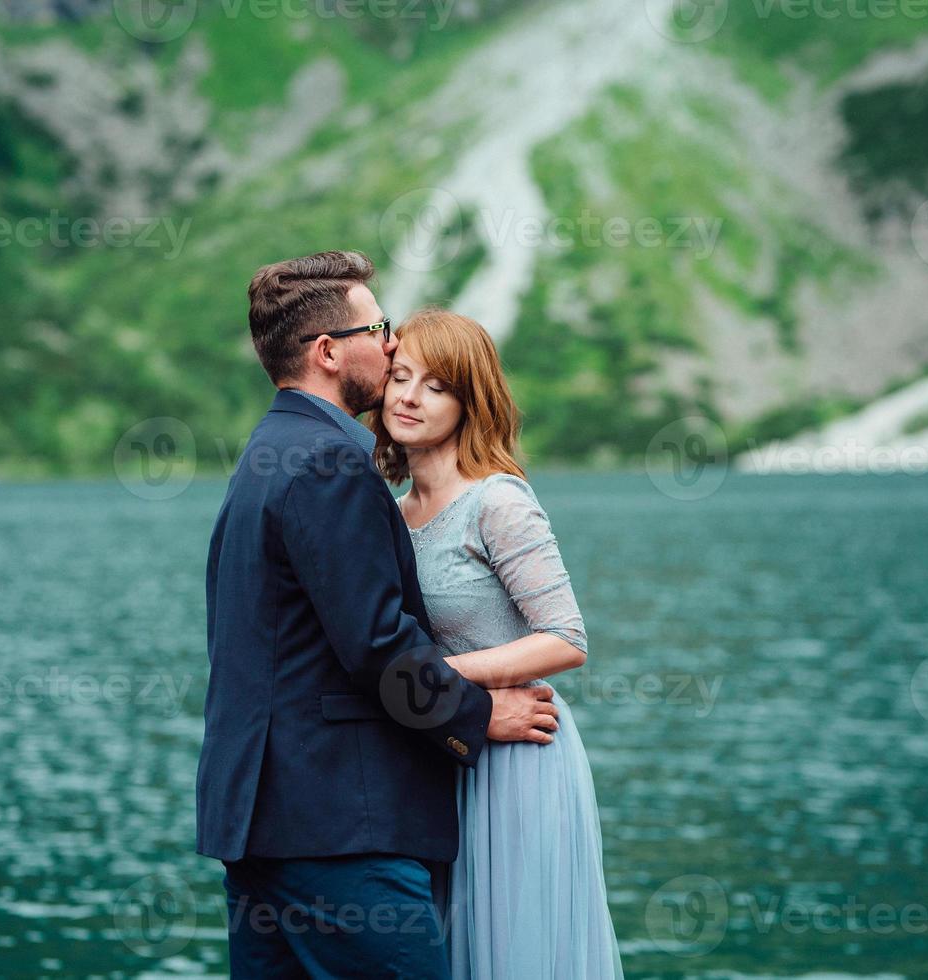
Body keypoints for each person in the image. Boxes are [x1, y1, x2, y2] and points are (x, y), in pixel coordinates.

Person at [196, 250, 560, 978]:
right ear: (329, 351)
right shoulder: (330, 462)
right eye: (379, 328)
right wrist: (479, 715)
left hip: (267, 829)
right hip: (341, 833)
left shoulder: (268, 453)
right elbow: (376, 644)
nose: (391, 345)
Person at [371, 308, 624, 978]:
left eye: (436, 386)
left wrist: (440, 672)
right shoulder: (393, 513)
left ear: (468, 402)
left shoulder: (497, 502)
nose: (409, 397)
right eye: (400, 377)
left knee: (517, 950)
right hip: (450, 748)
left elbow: (567, 638)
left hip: (521, 754)